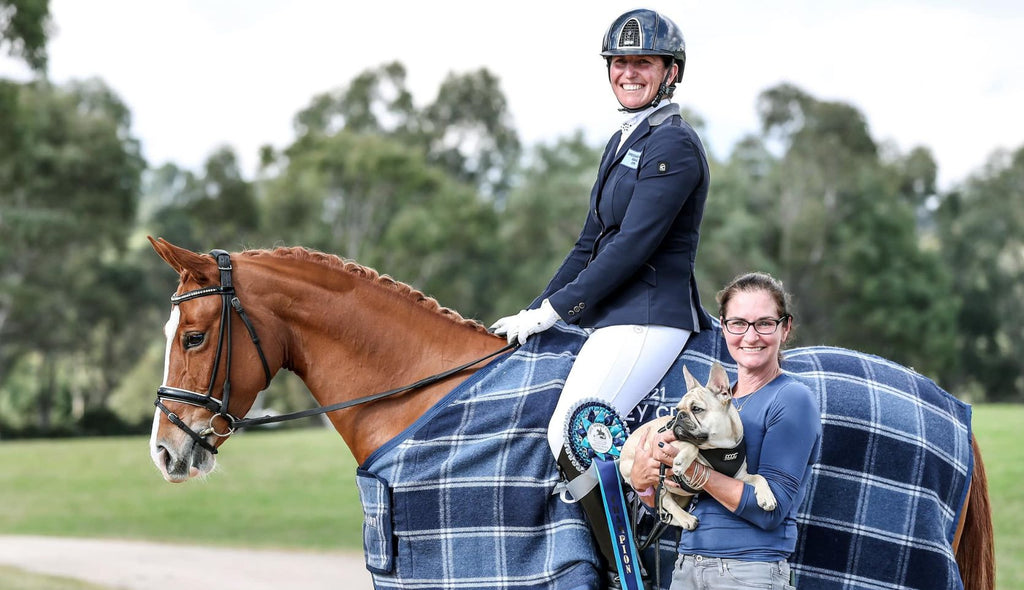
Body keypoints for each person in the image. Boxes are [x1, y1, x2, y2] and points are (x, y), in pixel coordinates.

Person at [489, 7, 713, 585]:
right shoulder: (622, 141)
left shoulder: (675, 144)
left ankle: (625, 572)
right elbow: (589, 244)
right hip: (614, 316)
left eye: (643, 63)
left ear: (670, 72)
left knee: (572, 430)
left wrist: (556, 312)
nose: (628, 72)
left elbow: (631, 248)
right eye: (619, 62)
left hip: (650, 314)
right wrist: (534, 311)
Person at [627, 272, 822, 590]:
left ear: (785, 328)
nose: (751, 336)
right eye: (739, 323)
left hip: (748, 573)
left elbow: (769, 511)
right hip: (687, 567)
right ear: (724, 327)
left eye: (764, 323)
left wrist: (695, 471)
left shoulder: (791, 398)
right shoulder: (711, 403)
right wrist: (644, 483)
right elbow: (679, 500)